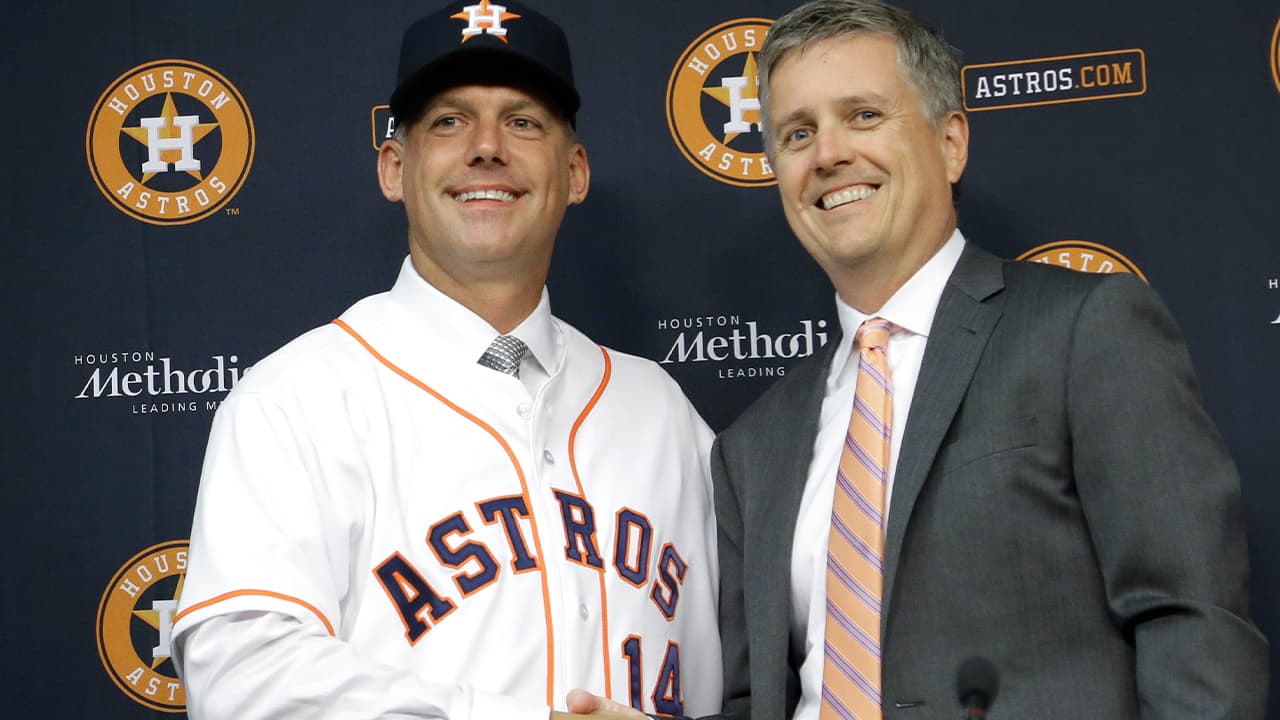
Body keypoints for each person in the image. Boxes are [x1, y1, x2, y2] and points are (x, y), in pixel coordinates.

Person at [571, 0, 1269, 718]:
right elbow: (760, 700)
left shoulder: (1086, 331)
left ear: (951, 142)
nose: (829, 153)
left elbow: (1194, 626)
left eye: (864, 116)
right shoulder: (754, 446)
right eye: (798, 132)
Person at [171, 3, 722, 719]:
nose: (487, 147)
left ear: (575, 170)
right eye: (448, 122)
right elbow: (241, 681)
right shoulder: (297, 398)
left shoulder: (660, 409)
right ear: (395, 168)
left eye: (523, 121)